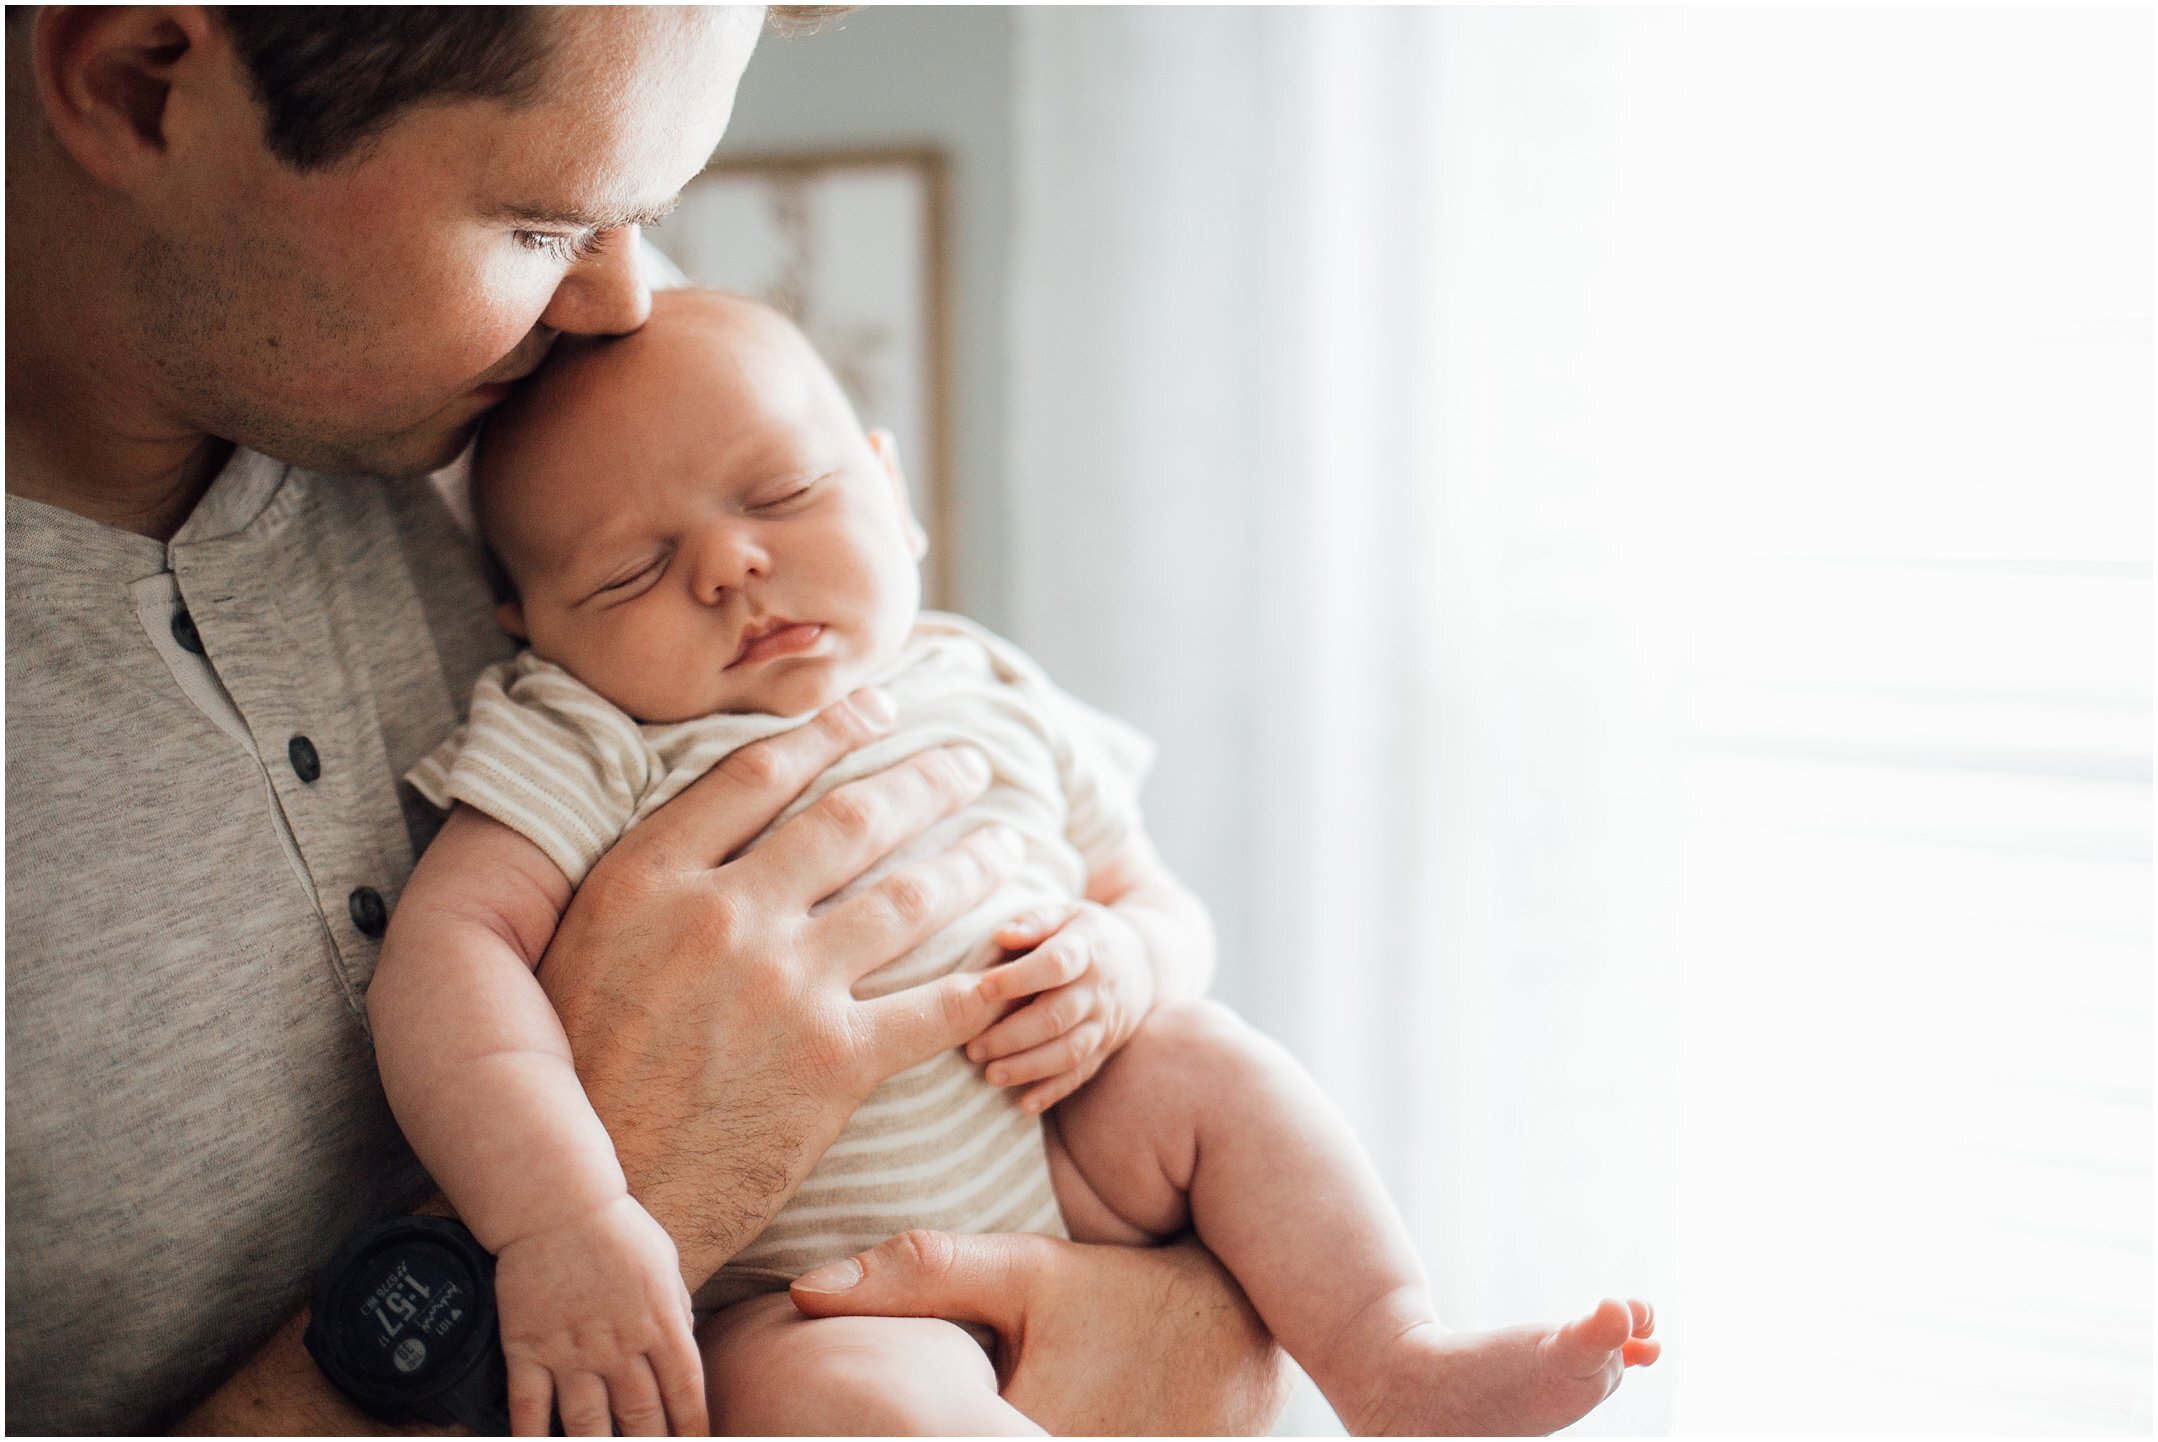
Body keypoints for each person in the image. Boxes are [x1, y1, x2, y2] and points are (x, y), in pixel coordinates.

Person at [2, 7, 1286, 1434]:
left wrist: (1187, 1320)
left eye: (647, 216)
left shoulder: (575, 387)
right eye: (542, 226)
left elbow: (1202, 1329)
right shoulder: (542, 493)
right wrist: (624, 1181)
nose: (623, 304)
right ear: (139, 84)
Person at [372, 286, 1664, 1436]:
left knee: (1207, 1057)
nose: (730, 563)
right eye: (633, 570)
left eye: (782, 495)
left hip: (1065, 1150)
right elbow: (448, 955)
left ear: (892, 489)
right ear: (527, 624)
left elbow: (1152, 895)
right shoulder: (582, 733)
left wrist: (1124, 958)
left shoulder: (977, 677)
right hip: (804, 1285)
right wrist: (563, 1216)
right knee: (840, 1402)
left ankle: (1391, 1361)